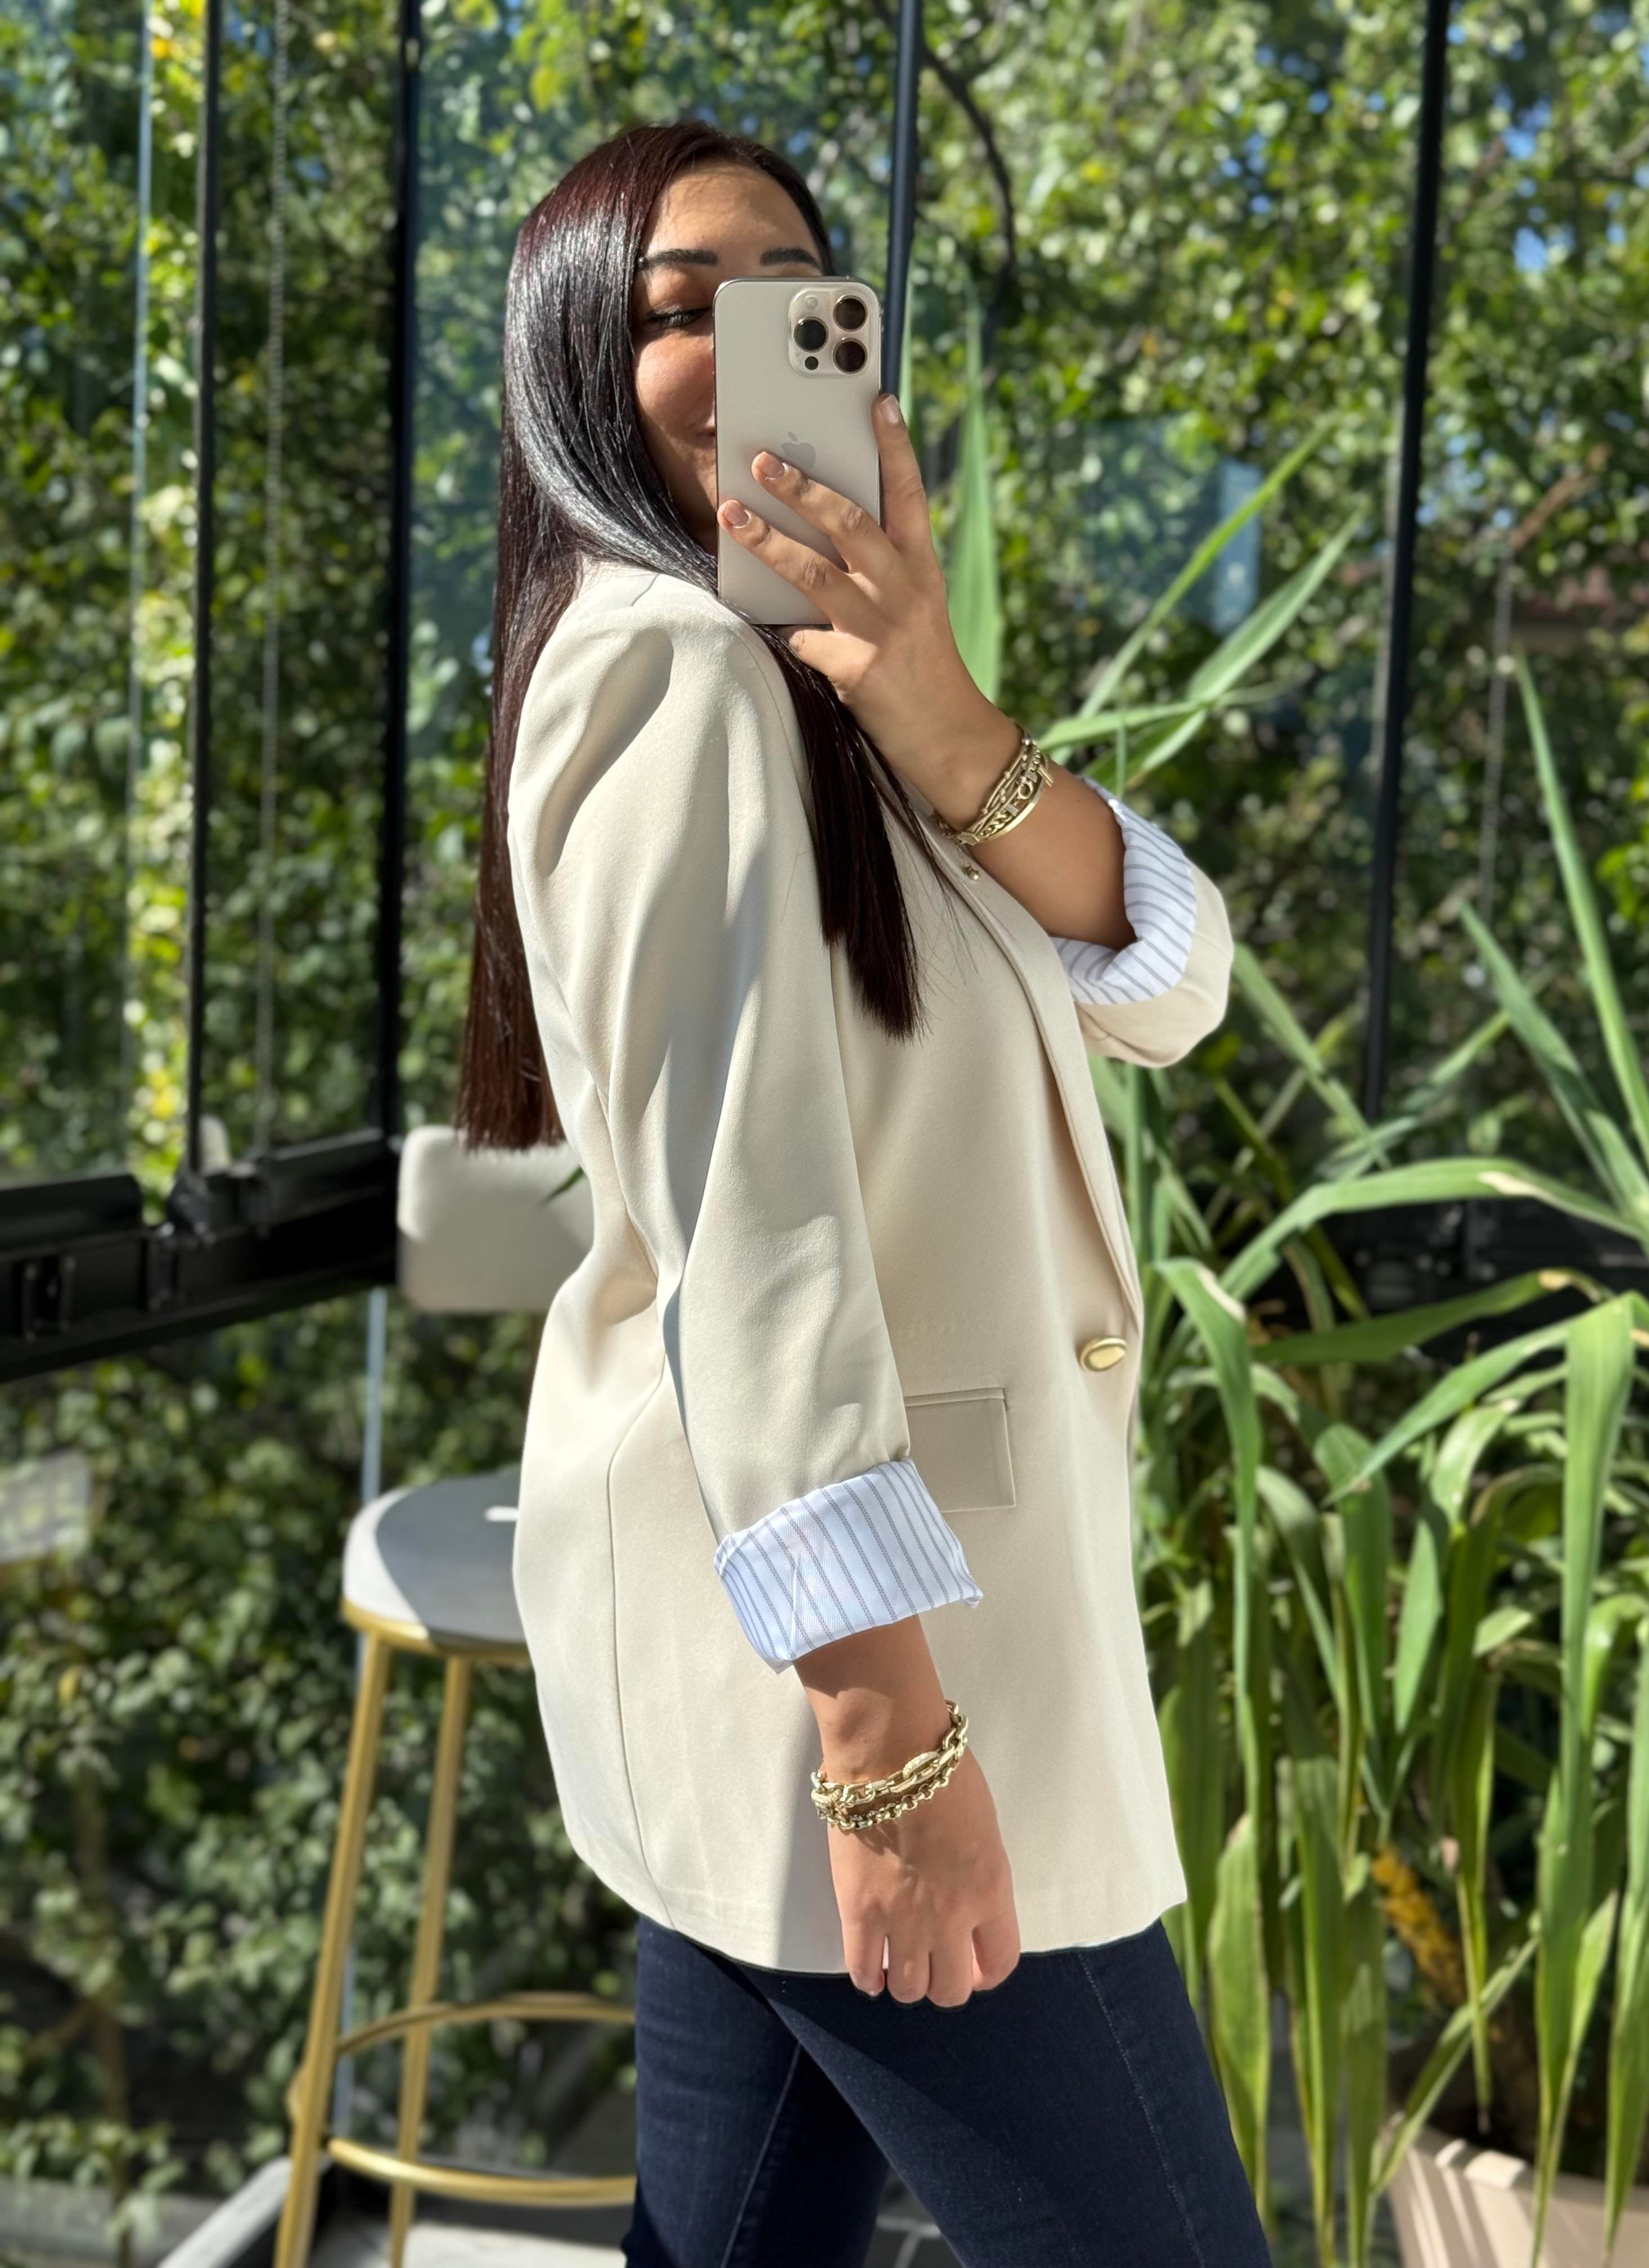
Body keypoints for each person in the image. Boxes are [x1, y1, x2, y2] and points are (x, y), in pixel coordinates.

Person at [455, 115, 1270, 2268]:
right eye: (677, 309)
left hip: (818, 1659)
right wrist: (887, 1747)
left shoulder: (816, 696)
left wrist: (932, 700)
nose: (747, 342)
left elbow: (1172, 987)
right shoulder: (669, 671)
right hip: (879, 1676)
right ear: (571, 360)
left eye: (788, 294)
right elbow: (760, 1231)